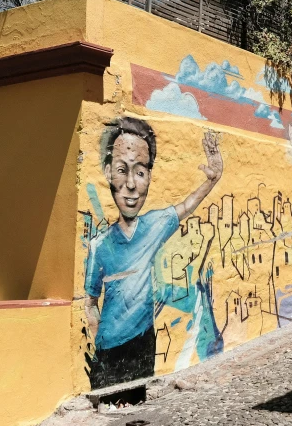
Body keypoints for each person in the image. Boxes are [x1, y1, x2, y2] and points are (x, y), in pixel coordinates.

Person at [85, 116, 223, 388]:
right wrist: (98, 339)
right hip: (107, 350)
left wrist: (212, 179)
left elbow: (187, 206)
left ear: (149, 175)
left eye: (140, 172)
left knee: (138, 406)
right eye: (122, 170)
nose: (132, 185)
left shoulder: (154, 225)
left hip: (144, 341)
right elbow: (90, 302)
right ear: (107, 171)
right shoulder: (98, 246)